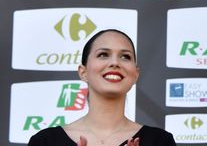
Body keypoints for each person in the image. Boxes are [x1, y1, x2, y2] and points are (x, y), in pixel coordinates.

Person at [28, 29, 176, 146]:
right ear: (83, 72)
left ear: (135, 74)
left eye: (125, 57)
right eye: (103, 54)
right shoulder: (45, 141)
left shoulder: (160, 141)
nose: (115, 62)